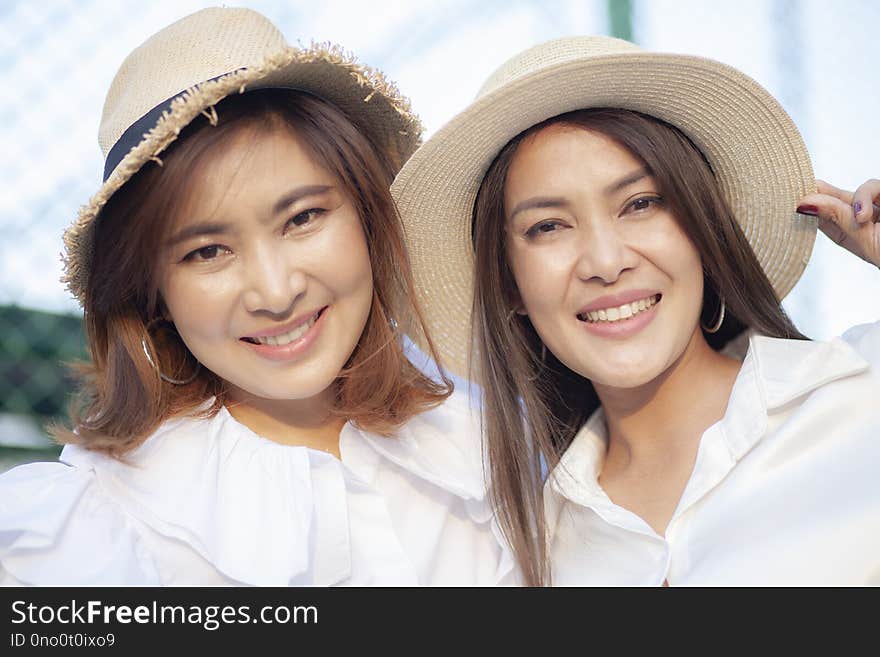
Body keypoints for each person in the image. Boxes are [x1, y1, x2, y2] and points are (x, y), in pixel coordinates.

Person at [0, 8, 514, 586]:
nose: (275, 291)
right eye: (207, 252)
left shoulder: (487, 449)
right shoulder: (87, 536)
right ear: (152, 293)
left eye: (303, 218)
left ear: (368, 218)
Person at [391, 35, 880, 585]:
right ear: (508, 285)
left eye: (640, 204)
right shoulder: (522, 557)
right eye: (547, 226)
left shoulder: (863, 398)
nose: (605, 261)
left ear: (702, 225)